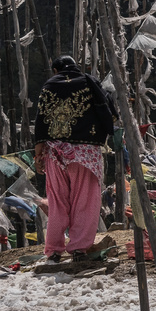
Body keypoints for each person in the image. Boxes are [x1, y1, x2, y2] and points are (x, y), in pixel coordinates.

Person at [34, 55, 115, 264]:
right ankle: (79, 249)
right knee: (85, 200)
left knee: (57, 201)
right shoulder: (90, 83)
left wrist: (38, 152)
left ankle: (53, 251)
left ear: (55, 70)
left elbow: (41, 121)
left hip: (55, 153)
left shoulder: (49, 86)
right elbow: (109, 110)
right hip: (86, 154)